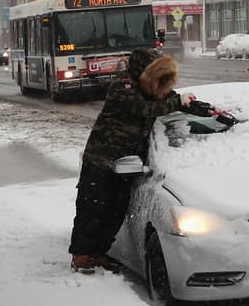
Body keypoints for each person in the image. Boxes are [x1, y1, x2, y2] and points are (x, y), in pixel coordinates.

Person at [69, 46, 186, 273]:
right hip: (101, 159)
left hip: (126, 164)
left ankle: (99, 252)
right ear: (142, 70)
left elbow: (166, 96)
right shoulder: (124, 86)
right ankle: (81, 256)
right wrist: (179, 102)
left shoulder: (147, 88)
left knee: (115, 212)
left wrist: (195, 105)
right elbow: (144, 109)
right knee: (92, 210)